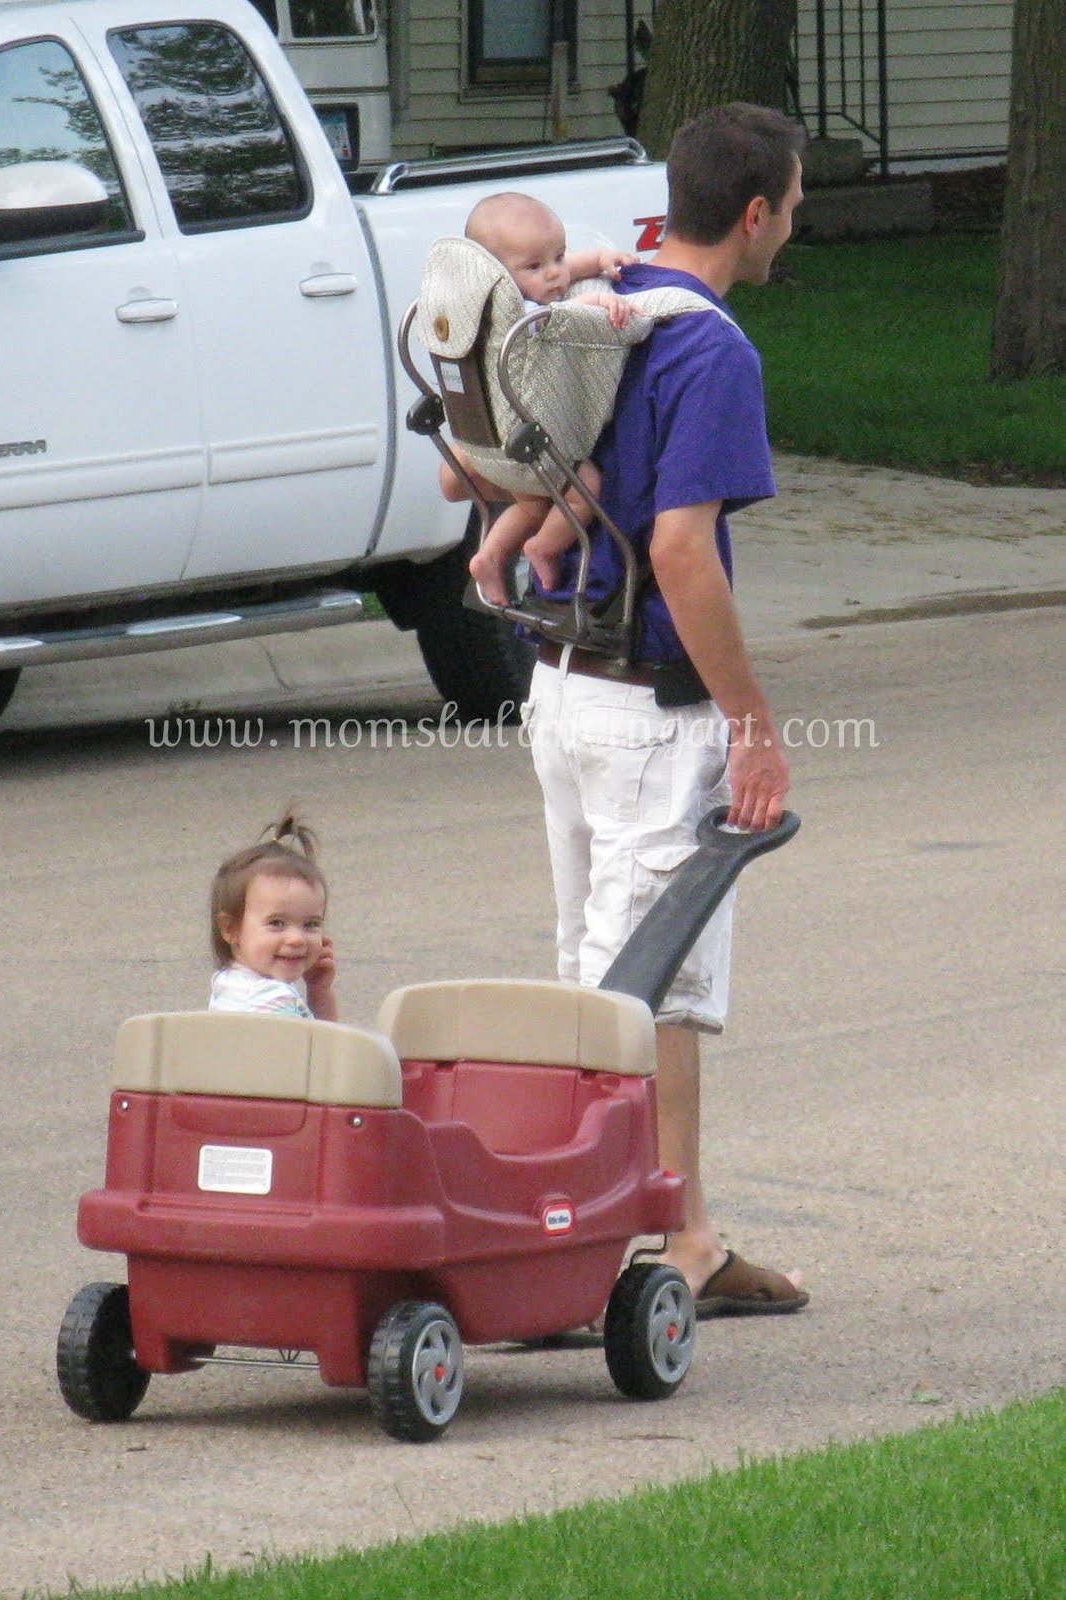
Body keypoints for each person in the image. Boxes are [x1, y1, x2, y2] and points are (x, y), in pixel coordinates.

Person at [523, 104, 809, 1318]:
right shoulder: (712, 351)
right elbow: (684, 552)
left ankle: (630, 1222)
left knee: (593, 974)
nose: (792, 227)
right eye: (792, 207)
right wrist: (751, 718)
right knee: (657, 988)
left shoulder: (602, 305)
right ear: (754, 215)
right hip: (650, 709)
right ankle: (660, 1243)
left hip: (559, 687)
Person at [437, 191, 637, 606]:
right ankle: (544, 547)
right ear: (496, 275)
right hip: (526, 445)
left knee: (530, 506)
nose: (554, 275)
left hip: (485, 439)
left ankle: (489, 558)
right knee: (586, 485)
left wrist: (597, 258)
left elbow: (560, 273)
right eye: (534, 266)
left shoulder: (474, 305)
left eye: (559, 256)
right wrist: (599, 299)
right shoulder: (517, 313)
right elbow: (559, 318)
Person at [208, 813, 337, 1021]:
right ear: (231, 929)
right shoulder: (276, 1003)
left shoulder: (227, 982)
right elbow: (329, 1049)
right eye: (277, 923)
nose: (297, 939)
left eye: (311, 924)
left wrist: (318, 990)